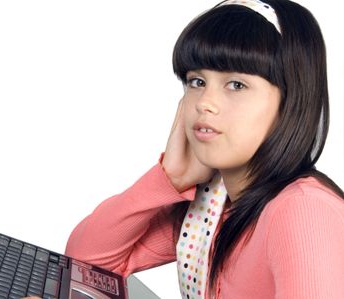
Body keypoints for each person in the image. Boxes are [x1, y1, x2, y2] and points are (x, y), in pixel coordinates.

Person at [24, 0, 344, 298]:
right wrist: (170, 177)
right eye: (197, 81)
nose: (205, 103)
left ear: (290, 103)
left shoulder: (303, 210)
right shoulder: (211, 209)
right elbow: (86, 262)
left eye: (236, 85)